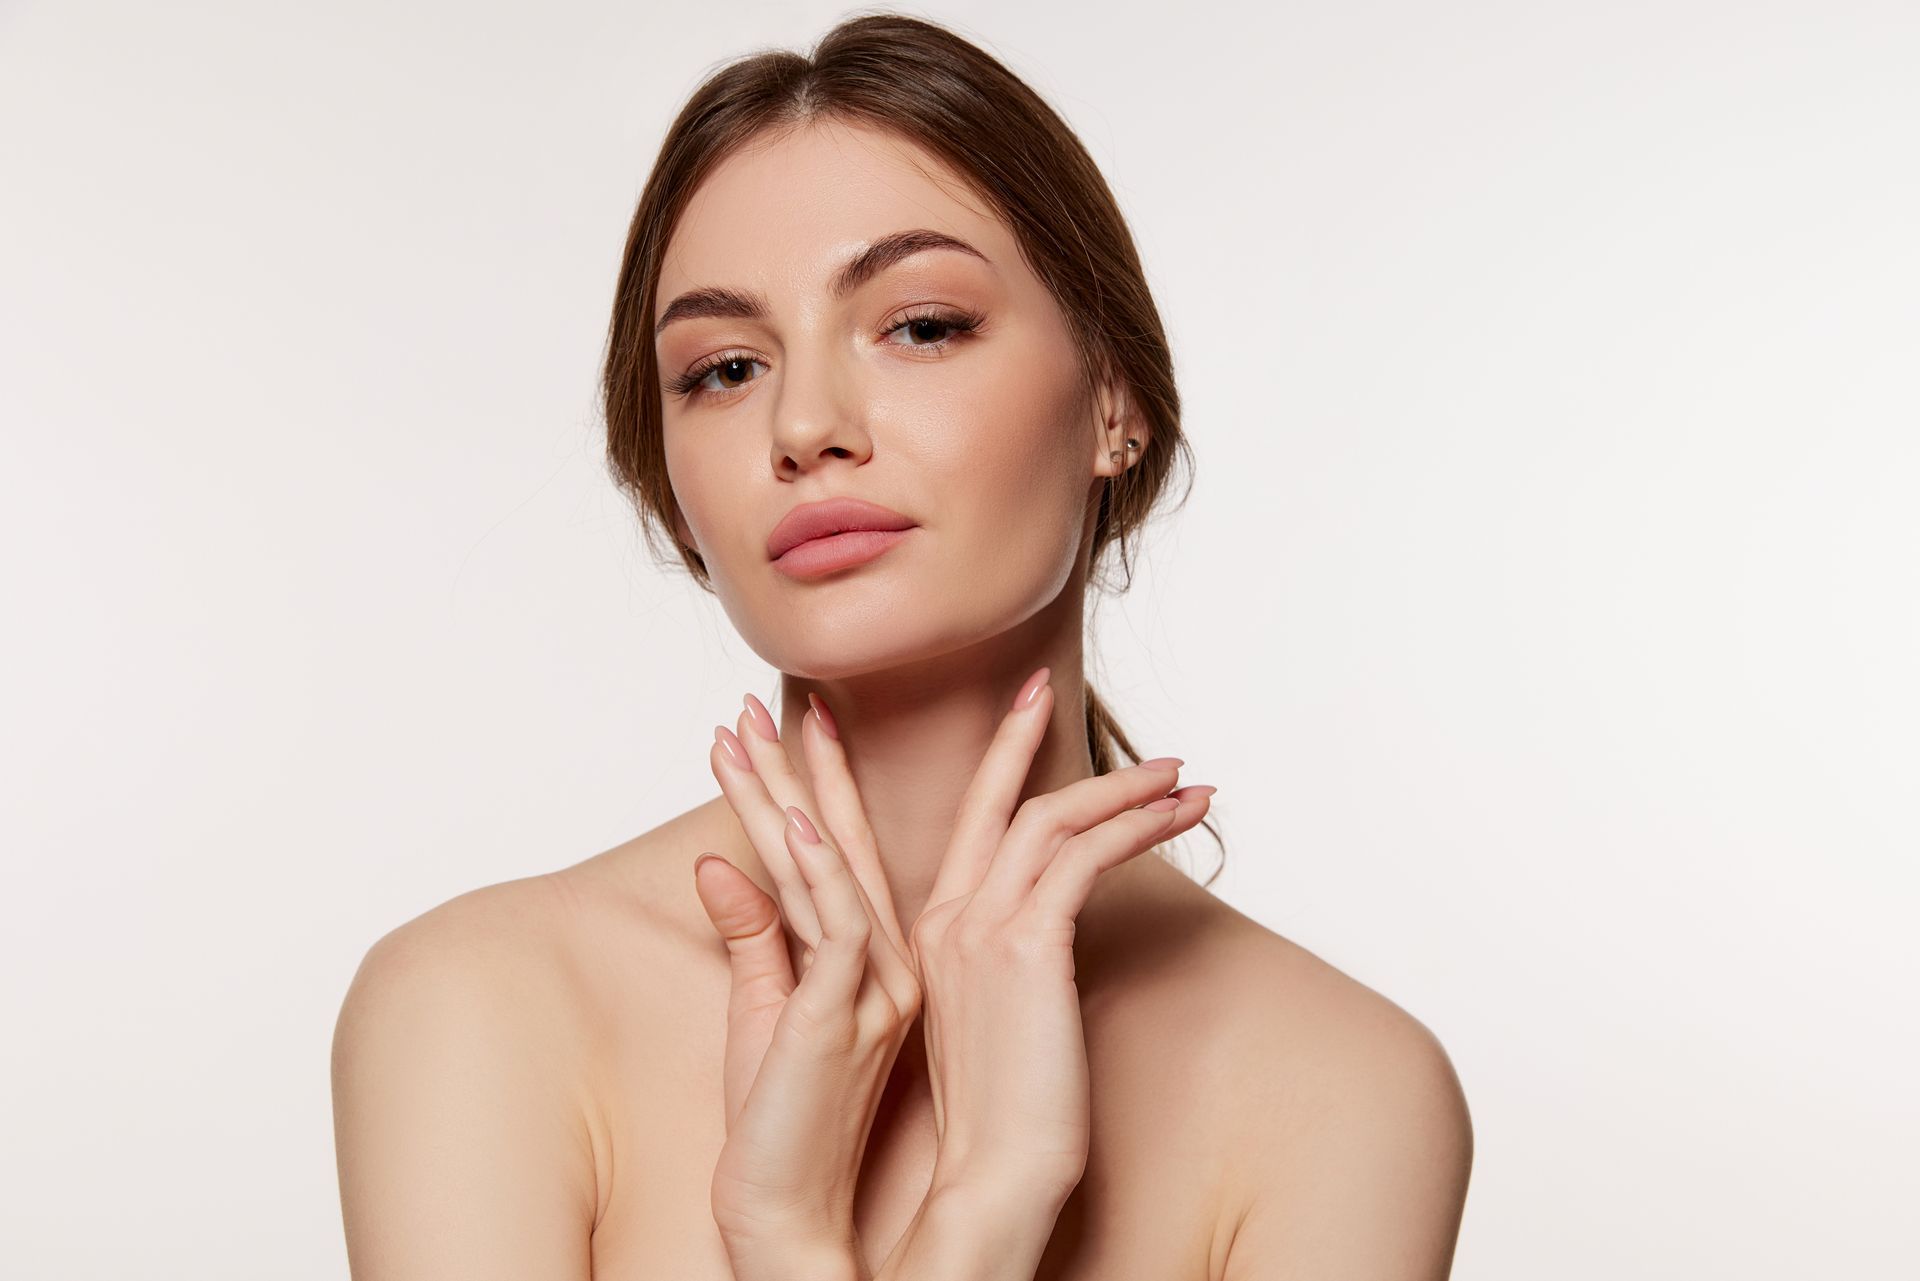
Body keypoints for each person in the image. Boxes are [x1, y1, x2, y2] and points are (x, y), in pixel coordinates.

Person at [330, 13, 1472, 1279]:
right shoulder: (481, 1010)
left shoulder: (1345, 1092)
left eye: (921, 325)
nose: (805, 424)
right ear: (672, 494)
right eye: (722, 369)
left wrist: (988, 1200)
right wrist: (804, 1231)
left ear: (1115, 403)